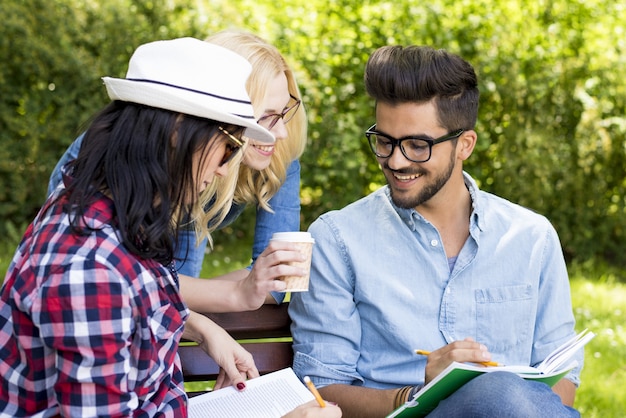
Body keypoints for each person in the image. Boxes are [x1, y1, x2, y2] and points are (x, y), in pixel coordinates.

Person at [0, 37, 340, 418]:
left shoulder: (114, 212)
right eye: (229, 147)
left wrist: (203, 329)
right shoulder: (91, 272)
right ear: (176, 135)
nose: (227, 168)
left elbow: (144, 296)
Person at [289, 45, 582, 417]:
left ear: (464, 145)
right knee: (497, 391)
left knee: (501, 394)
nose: (395, 161)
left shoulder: (531, 238)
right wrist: (421, 393)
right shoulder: (338, 239)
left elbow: (562, 378)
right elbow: (321, 390)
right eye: (384, 141)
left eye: (417, 145)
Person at [47, 29, 307, 307]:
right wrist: (231, 294)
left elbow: (274, 283)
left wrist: (187, 303)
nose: (280, 132)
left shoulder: (278, 154)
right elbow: (102, 269)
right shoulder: (133, 161)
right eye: (265, 118)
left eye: (284, 113)